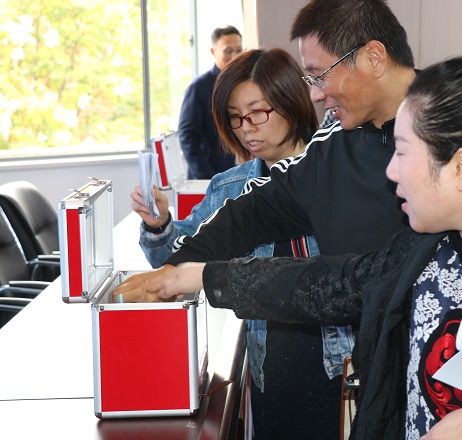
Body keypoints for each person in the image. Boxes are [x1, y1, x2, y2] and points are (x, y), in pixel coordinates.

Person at [126, 41, 462, 439]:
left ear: (461, 167)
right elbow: (327, 283)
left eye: (403, 153)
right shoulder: (427, 248)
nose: (391, 172)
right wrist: (194, 276)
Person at [132, 47, 354, 439]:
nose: (246, 128)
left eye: (257, 112)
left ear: (292, 103)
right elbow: (175, 262)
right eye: (234, 118)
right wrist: (160, 224)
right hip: (270, 371)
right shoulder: (231, 187)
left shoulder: (336, 176)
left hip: (338, 370)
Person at [178, 26, 243, 179]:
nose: (235, 56)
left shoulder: (244, 84)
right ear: (214, 52)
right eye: (228, 51)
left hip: (240, 174)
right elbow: (187, 137)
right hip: (210, 176)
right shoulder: (199, 87)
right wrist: (207, 177)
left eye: (239, 50)